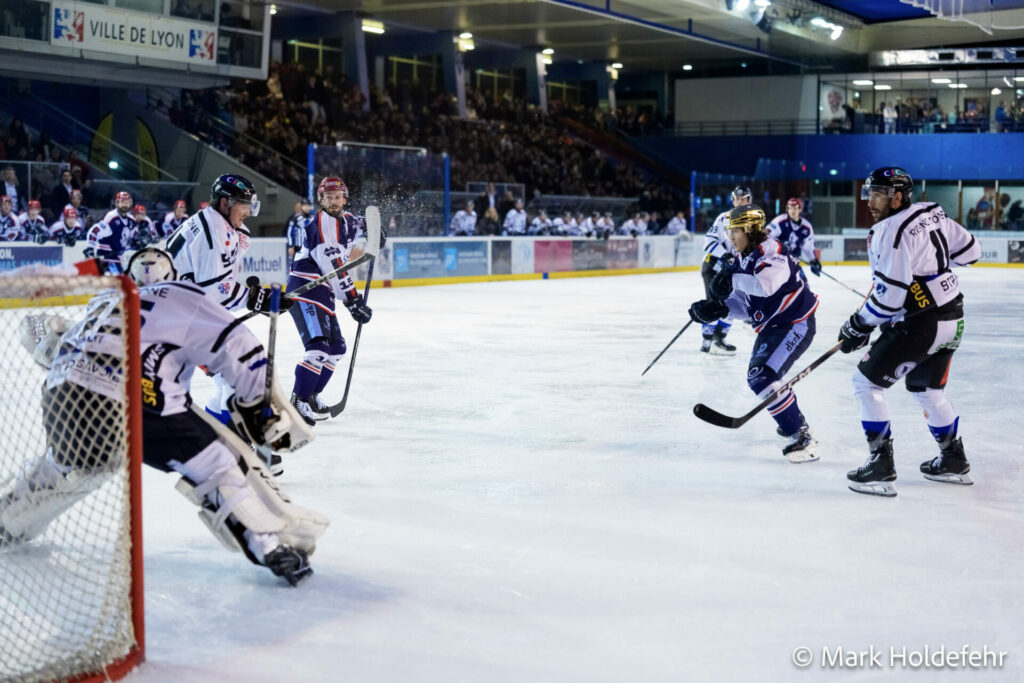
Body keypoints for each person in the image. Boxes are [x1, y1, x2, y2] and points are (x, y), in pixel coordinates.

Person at [2, 249, 324, 585]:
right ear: (173, 274)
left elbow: (47, 341)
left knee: (65, 464)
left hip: (63, 395)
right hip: (141, 400)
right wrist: (259, 403)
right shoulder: (185, 294)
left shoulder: (104, 300)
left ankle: (8, 518)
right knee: (218, 465)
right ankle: (270, 547)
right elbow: (237, 345)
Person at [839, 167, 981, 497]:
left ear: (897, 197)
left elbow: (888, 301)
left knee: (866, 383)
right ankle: (953, 461)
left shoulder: (889, 231)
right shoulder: (932, 213)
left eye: (877, 194)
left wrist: (858, 324)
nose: (870, 202)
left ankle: (880, 467)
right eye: (869, 194)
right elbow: (971, 253)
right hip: (953, 320)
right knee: (928, 392)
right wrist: (931, 277)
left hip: (921, 325)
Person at [689, 204, 819, 462]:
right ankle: (791, 419)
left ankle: (801, 435)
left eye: (734, 231)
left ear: (749, 229)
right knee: (761, 378)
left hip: (795, 322)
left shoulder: (773, 251)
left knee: (762, 377)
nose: (730, 237)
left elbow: (765, 285)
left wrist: (731, 278)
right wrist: (718, 309)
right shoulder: (740, 259)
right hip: (773, 327)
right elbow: (744, 306)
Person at [165, 174, 261, 424]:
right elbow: (215, 291)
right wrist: (254, 297)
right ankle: (236, 445)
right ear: (225, 203)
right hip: (180, 319)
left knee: (226, 379)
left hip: (190, 313)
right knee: (237, 374)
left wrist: (253, 297)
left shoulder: (223, 225)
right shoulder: (212, 230)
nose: (248, 212)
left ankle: (220, 437)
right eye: (244, 204)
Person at [278, 176, 372, 424]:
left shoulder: (347, 219)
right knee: (318, 348)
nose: (334, 201)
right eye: (328, 197)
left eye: (338, 196)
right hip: (305, 289)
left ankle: (311, 395)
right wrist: (353, 301)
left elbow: (362, 222)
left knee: (337, 349)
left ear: (345, 198)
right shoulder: (321, 226)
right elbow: (336, 270)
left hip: (323, 292)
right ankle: (298, 401)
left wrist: (375, 228)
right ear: (321, 199)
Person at [699, 186, 747, 355]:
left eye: (744, 199)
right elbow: (708, 242)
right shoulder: (723, 219)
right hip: (713, 267)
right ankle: (707, 341)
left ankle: (719, 339)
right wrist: (725, 255)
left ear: (749, 201)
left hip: (731, 271)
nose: (740, 202)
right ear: (733, 201)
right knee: (714, 303)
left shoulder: (753, 223)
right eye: (737, 199)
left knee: (731, 305)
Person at [84, 191, 137, 273]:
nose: (125, 205)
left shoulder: (132, 220)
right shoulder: (111, 217)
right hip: (106, 258)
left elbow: (131, 241)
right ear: (116, 203)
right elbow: (94, 231)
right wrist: (90, 248)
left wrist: (138, 242)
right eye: (122, 202)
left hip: (121, 259)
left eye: (127, 203)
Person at [768, 198, 821, 277]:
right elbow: (766, 236)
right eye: (790, 208)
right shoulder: (780, 221)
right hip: (777, 262)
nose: (793, 211)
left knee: (804, 286)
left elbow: (808, 248)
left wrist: (814, 261)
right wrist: (779, 245)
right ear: (787, 209)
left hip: (793, 263)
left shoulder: (806, 227)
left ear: (800, 209)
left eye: (795, 208)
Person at [285, 197, 313, 266]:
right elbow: (290, 233)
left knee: (310, 267)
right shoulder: (295, 218)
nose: (306, 208)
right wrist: (291, 246)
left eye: (308, 206)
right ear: (302, 207)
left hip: (311, 248)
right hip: (299, 248)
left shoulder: (313, 218)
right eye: (304, 206)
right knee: (297, 267)